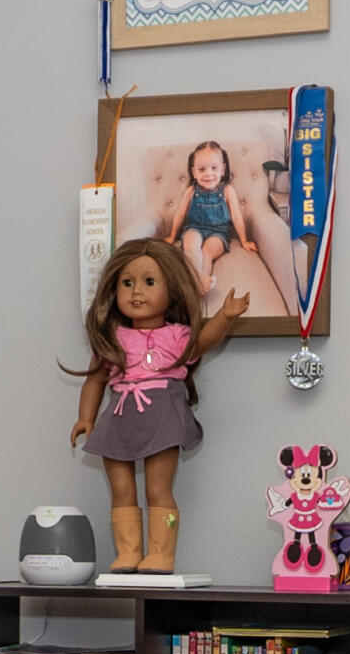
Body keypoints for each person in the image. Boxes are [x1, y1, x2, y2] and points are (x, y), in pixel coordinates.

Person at [65, 237, 249, 574]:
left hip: (163, 413)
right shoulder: (114, 337)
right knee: (121, 488)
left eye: (150, 282)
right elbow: (95, 379)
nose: (137, 292)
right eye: (127, 283)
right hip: (120, 414)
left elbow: (203, 342)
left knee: (156, 487)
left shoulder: (178, 334)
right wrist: (85, 418)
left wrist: (225, 316)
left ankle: (161, 555)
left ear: (173, 291)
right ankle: (128, 553)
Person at [161, 140, 255, 304]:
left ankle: (202, 276)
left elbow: (236, 216)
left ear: (223, 169)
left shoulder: (227, 191)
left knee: (207, 252)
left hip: (218, 233)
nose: (208, 174)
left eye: (214, 168)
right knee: (191, 245)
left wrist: (244, 240)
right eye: (202, 169)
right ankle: (198, 277)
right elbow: (180, 215)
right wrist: (171, 236)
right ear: (194, 172)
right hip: (194, 227)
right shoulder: (191, 192)